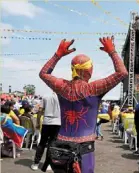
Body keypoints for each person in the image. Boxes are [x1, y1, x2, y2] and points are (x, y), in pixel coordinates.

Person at [39, 37, 128, 173]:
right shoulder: (94, 88)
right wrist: (112, 52)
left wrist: (58, 55)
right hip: (85, 146)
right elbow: (122, 73)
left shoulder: (62, 86)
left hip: (61, 144)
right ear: (89, 70)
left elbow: (43, 73)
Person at [31, 92, 61, 171]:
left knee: (42, 143)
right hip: (58, 122)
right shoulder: (62, 97)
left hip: (47, 121)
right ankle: (48, 165)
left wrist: (37, 122)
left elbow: (40, 111)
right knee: (52, 144)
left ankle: (36, 163)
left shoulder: (45, 96)